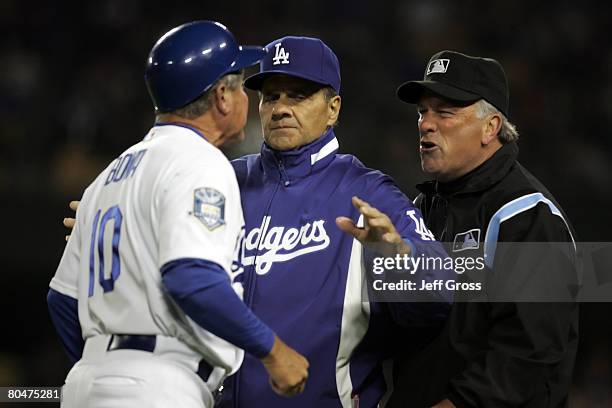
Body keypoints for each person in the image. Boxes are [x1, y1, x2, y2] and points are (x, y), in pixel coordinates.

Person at [47, 21, 309, 408]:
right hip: (157, 385)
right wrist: (274, 351)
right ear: (222, 96)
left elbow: (62, 300)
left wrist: (107, 367)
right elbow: (192, 277)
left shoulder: (108, 175)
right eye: (240, 85)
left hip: (87, 382)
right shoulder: (200, 162)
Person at [222, 36, 454, 408]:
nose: (280, 108)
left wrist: (398, 255)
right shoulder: (226, 182)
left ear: (333, 109)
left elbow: (441, 296)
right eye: (271, 96)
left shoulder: (368, 192)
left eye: (298, 95)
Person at [388, 50, 579, 407]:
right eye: (422, 112)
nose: (426, 123)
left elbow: (529, 355)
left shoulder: (526, 214)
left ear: (490, 127)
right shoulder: (422, 210)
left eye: (444, 112)